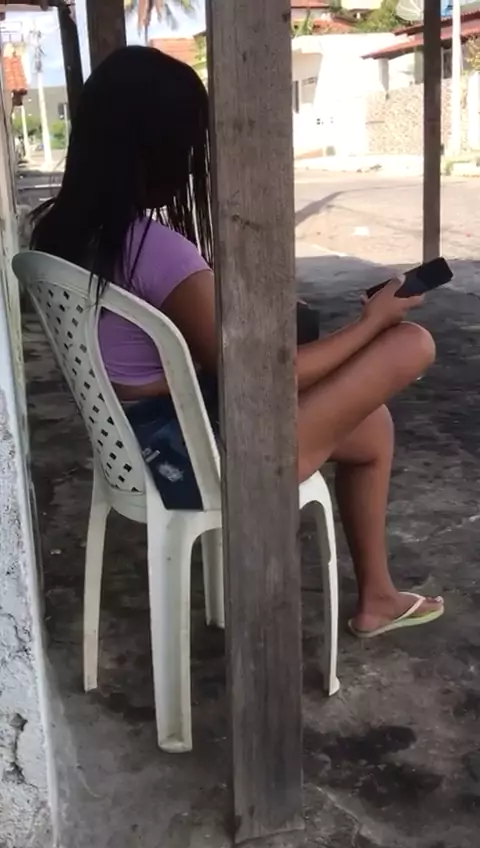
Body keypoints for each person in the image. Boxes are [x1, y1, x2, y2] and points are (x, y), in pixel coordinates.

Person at [30, 46, 443, 638]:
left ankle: (377, 597)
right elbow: (266, 379)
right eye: (189, 145)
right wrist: (372, 323)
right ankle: (374, 597)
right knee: (411, 343)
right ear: (156, 148)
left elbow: (173, 348)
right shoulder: (153, 248)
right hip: (196, 458)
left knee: (371, 425)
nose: (193, 162)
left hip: (137, 444)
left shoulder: (59, 231)